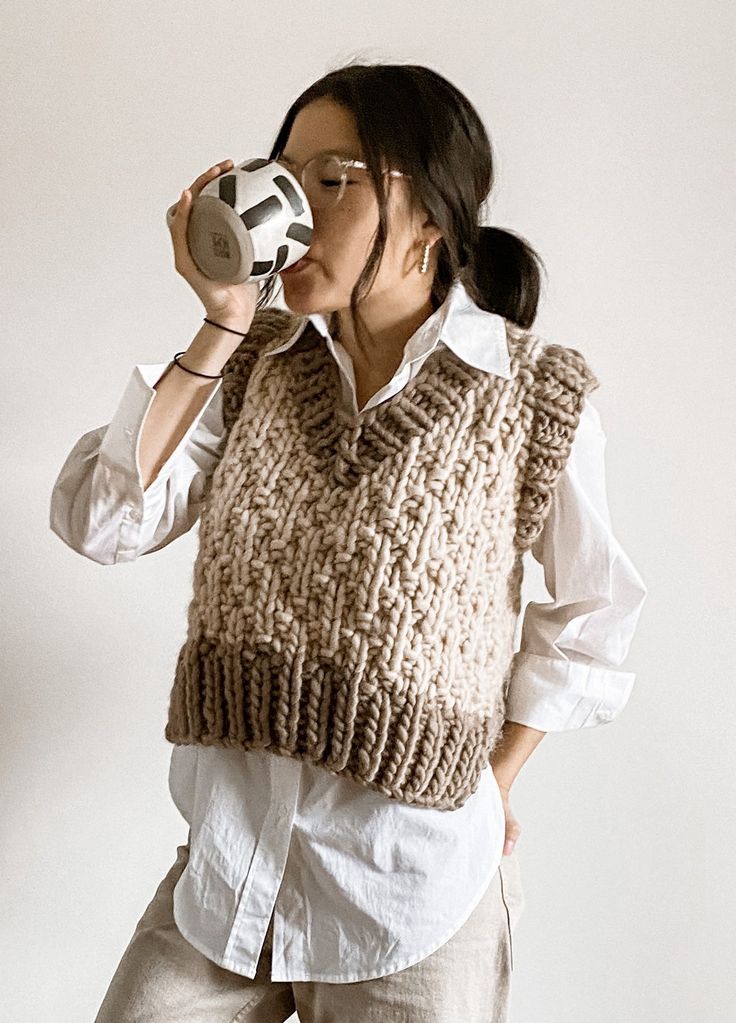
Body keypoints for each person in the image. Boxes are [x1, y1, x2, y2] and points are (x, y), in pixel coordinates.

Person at [49, 62, 647, 1023]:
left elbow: (594, 617)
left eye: (333, 179)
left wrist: (488, 789)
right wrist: (219, 323)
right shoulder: (252, 366)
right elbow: (100, 520)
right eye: (284, 175)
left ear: (430, 215)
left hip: (412, 899)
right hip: (229, 879)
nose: (290, 206)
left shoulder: (532, 399)